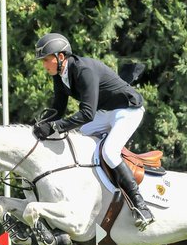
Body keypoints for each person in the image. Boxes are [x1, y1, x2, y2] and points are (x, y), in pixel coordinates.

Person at [32, 32, 154, 229]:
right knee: (80, 141)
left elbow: (87, 114)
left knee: (109, 151)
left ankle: (141, 206)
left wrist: (55, 126)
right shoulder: (60, 75)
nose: (44, 65)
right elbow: (58, 109)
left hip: (128, 110)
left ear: (60, 57)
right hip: (106, 113)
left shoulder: (83, 70)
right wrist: (40, 126)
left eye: (46, 60)